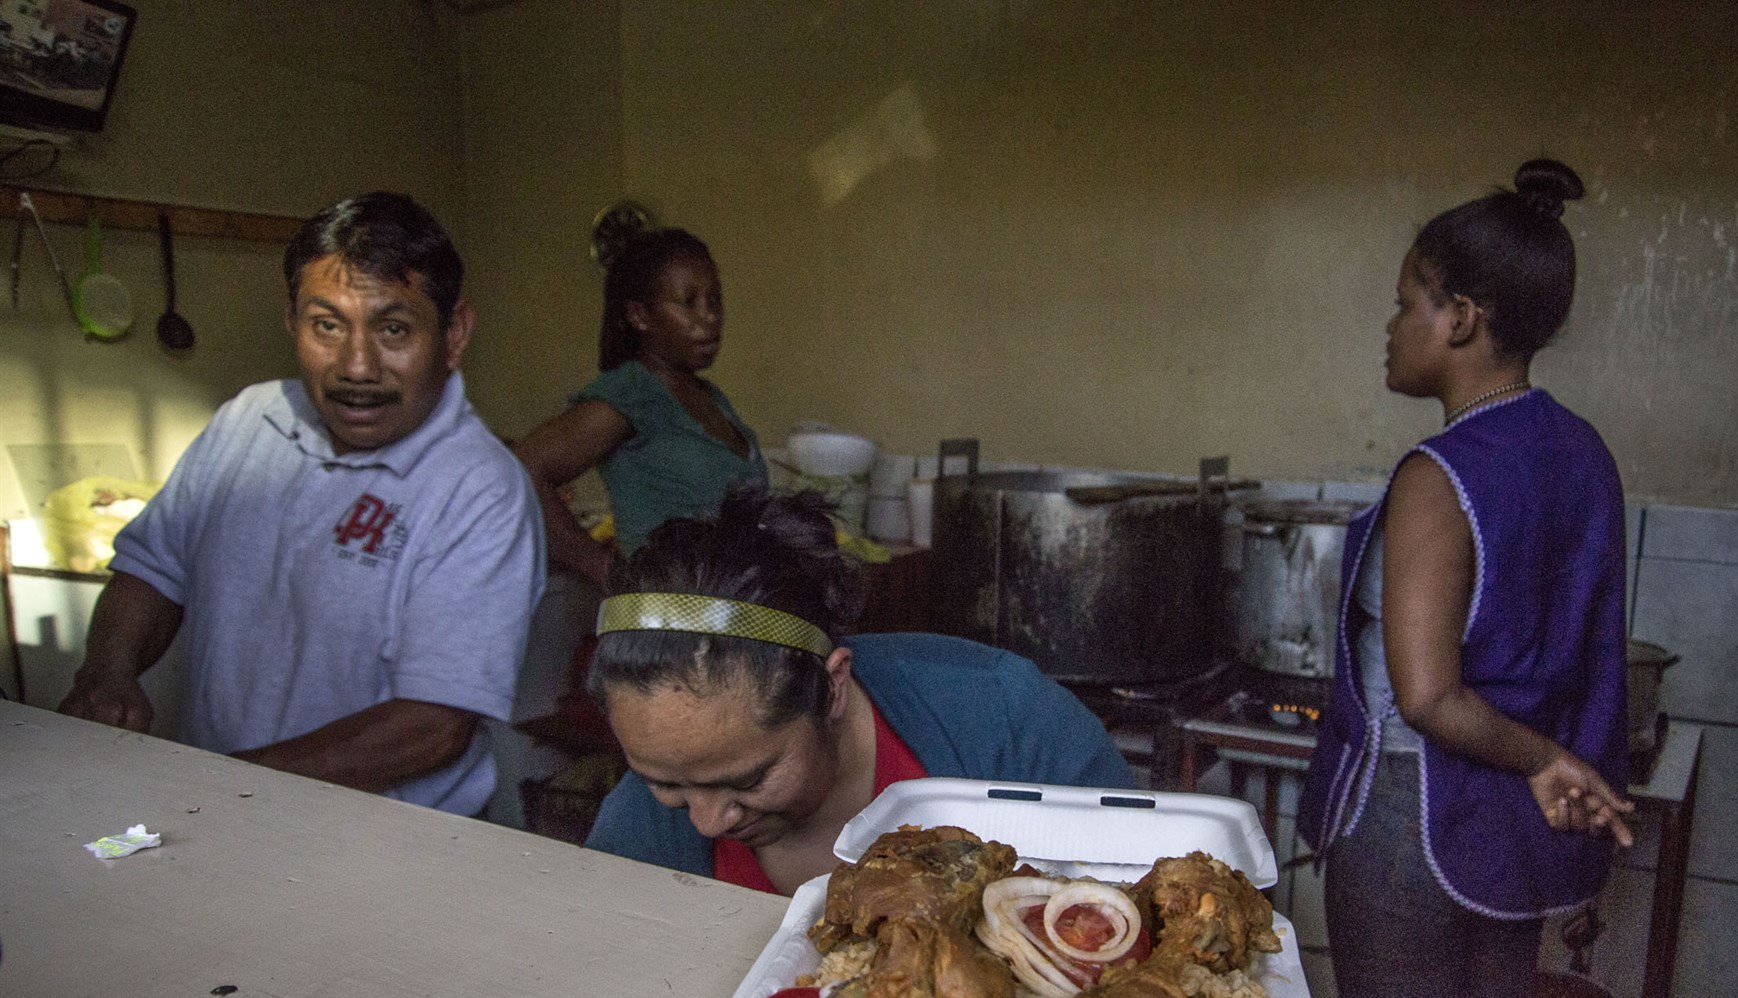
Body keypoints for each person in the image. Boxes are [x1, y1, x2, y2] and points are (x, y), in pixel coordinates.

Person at [58, 192, 545, 816]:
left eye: (393, 329)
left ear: (453, 334)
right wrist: (107, 670)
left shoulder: (481, 489)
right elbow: (153, 572)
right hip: (222, 808)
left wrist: (219, 785)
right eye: (327, 325)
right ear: (292, 321)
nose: (357, 366)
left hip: (383, 848)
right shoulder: (247, 423)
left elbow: (433, 725)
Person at [1297, 159, 1633, 998]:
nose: (1392, 324)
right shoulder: (1583, 452)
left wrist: (1544, 758)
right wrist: (1548, 759)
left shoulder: (1439, 476)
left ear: (1461, 319)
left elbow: (1430, 697)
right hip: (1511, 832)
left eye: (1407, 302)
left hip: (1414, 826)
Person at [584, 488, 1135, 894]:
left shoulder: (1009, 725)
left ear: (833, 685)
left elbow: (1136, 895)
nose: (706, 821)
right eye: (665, 782)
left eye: (749, 779)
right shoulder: (640, 831)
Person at [513, 226, 768, 590]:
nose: (709, 317)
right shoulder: (634, 393)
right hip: (667, 626)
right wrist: (607, 571)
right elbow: (521, 470)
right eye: (688, 302)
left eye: (715, 300)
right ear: (639, 316)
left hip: (726, 615)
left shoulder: (710, 397)